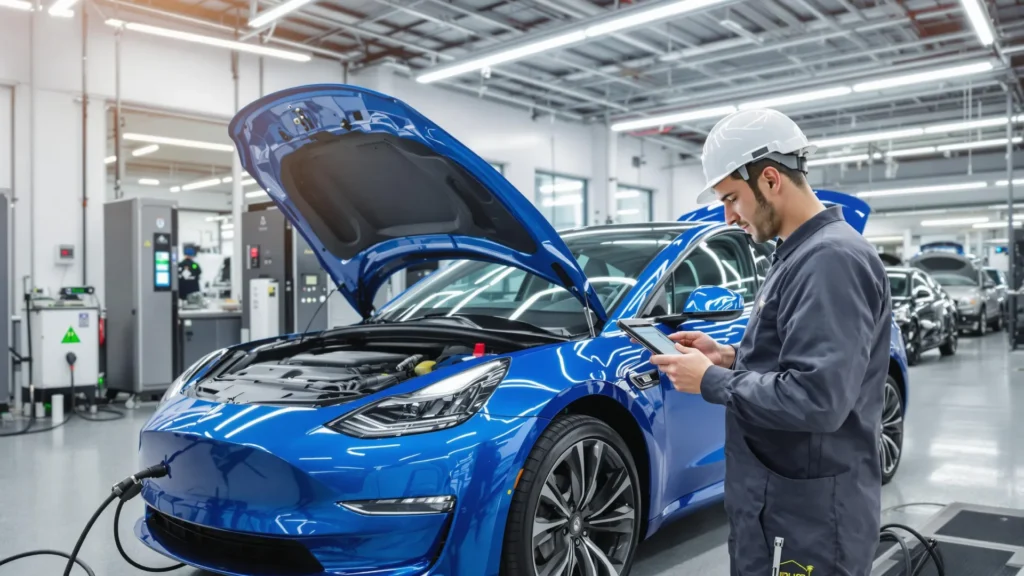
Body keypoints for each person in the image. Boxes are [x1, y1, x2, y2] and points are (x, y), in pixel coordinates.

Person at [649, 109, 891, 576]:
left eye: (732, 198)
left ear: (772, 179)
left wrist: (714, 381)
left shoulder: (830, 260)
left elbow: (819, 399)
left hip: (811, 520)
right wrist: (729, 357)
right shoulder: (798, 254)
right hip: (781, 505)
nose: (728, 215)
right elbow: (795, 355)